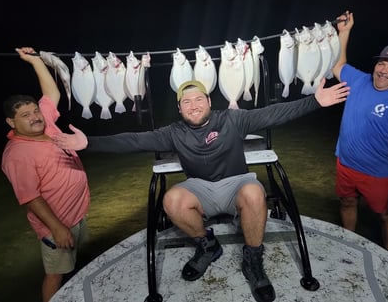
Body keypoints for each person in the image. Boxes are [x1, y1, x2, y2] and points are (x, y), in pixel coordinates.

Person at [54, 78, 350, 302]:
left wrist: (314, 101)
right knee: (172, 199)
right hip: (200, 188)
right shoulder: (174, 133)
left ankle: (253, 259)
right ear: (180, 107)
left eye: (199, 99)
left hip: (236, 183)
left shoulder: (234, 119)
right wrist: (90, 143)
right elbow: (133, 141)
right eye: (186, 102)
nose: (193, 105)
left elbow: (275, 113)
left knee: (255, 191)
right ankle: (207, 245)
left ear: (209, 101)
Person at [1, 47, 91, 302]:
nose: (35, 117)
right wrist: (58, 228)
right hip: (57, 224)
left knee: (70, 265)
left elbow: (51, 93)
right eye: (25, 115)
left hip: (76, 215)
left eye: (35, 111)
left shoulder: (47, 124)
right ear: (11, 122)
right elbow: (30, 197)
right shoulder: (17, 154)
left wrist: (34, 61)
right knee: (55, 274)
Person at [331, 11, 388, 253]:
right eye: (381, 62)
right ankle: (347, 243)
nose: (384, 70)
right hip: (346, 164)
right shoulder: (359, 81)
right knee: (347, 202)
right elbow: (338, 65)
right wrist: (345, 32)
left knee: (386, 215)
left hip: (377, 175)